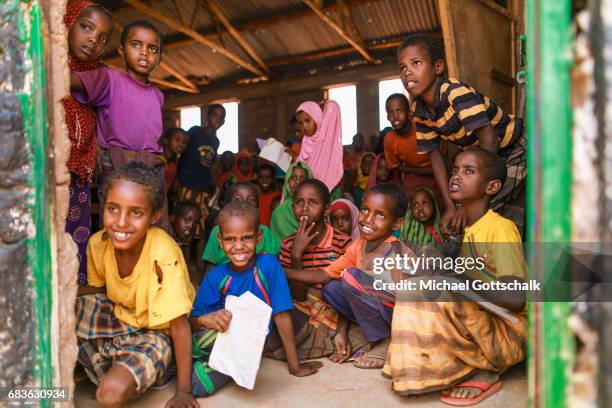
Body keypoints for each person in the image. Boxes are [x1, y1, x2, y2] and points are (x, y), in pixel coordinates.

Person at [384, 148, 527, 405]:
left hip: (511, 332)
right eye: (455, 170)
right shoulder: (470, 229)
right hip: (486, 321)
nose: (456, 177)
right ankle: (422, 369)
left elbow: (516, 299)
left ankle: (485, 369)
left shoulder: (500, 229)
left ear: (492, 186)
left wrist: (457, 280)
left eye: (468, 171)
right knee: (417, 287)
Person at [76, 162, 197, 408]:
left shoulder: (164, 252)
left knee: (108, 394)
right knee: (56, 311)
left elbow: (179, 325)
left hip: (157, 331)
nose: (121, 223)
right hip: (121, 317)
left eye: (136, 213)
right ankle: (118, 360)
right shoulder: (98, 244)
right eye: (113, 209)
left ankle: (160, 365)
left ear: (154, 216)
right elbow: (100, 291)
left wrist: (184, 391)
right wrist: (58, 297)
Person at [398, 33, 525, 236]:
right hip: (488, 157)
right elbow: (435, 156)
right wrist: (450, 206)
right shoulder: (418, 108)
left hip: (515, 148)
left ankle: (498, 262)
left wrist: (469, 202)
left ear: (437, 67)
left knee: (486, 209)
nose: (408, 72)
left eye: (416, 63)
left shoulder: (455, 93)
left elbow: (489, 137)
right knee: (481, 210)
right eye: (403, 67)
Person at [190, 201, 322, 397]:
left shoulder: (268, 264)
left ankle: (223, 363)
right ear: (220, 240)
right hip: (220, 337)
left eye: (247, 238)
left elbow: (282, 314)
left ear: (259, 237)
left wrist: (294, 366)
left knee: (201, 386)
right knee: (202, 340)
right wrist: (205, 319)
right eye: (230, 239)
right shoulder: (215, 276)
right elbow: (192, 322)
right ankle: (217, 360)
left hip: (253, 342)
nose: (239, 247)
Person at [285, 183, 413, 370]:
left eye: (380, 215)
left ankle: (386, 341)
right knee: (331, 289)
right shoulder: (357, 246)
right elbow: (323, 275)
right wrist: (279, 270)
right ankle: (374, 332)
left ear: (396, 224)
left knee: (351, 278)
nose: (368, 220)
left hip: (402, 316)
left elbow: (410, 301)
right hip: (380, 307)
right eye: (365, 210)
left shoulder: (397, 251)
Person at [70, 19, 170, 231]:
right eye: (136, 45)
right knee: (118, 223)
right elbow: (73, 81)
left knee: (152, 225)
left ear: (159, 58)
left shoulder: (158, 96)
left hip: (151, 166)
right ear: (121, 50)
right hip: (117, 163)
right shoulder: (110, 80)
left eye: (152, 49)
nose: (144, 53)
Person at [277, 179, 367, 361]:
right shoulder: (288, 244)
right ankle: (322, 341)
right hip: (304, 308)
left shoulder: (342, 243)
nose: (304, 208)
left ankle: (334, 337)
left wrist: (342, 330)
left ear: (326, 210)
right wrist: (296, 255)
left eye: (313, 203)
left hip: (336, 309)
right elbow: (299, 297)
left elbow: (346, 294)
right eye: (299, 202)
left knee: (359, 329)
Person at [63, 0, 113, 286]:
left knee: (74, 241)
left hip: (79, 177)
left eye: (103, 38)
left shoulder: (99, 75)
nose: (93, 39)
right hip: (50, 170)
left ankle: (74, 302)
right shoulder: (48, 61)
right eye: (86, 27)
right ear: (69, 22)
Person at [176, 105, 226, 244]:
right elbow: (181, 151)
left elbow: (209, 165)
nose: (219, 119)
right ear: (207, 116)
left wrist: (213, 183)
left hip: (203, 187)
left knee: (200, 225)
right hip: (187, 183)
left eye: (222, 117)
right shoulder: (195, 131)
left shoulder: (216, 142)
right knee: (183, 221)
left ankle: (196, 262)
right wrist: (176, 177)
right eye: (215, 115)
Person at [202, 181, 280, 270]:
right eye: (238, 199)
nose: (245, 203)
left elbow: (274, 266)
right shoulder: (217, 231)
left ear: (258, 208)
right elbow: (211, 264)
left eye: (252, 200)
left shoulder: (264, 231)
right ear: (227, 205)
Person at [383, 93, 438, 200]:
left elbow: (437, 155)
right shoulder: (389, 140)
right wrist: (418, 171)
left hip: (436, 168)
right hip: (412, 174)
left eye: (399, 110)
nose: (395, 116)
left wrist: (431, 170)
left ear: (409, 112)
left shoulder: (421, 126)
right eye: (391, 113)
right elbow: (395, 166)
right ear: (388, 117)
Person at [296, 100, 343, 199]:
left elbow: (333, 107)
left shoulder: (325, 138)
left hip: (329, 192)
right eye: (300, 123)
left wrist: (326, 103)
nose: (304, 126)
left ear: (317, 117)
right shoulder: (305, 141)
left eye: (308, 121)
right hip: (308, 192)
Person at [270, 162, 312, 241]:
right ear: (287, 182)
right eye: (293, 177)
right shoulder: (279, 213)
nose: (298, 182)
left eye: (302, 178)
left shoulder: (316, 208)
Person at [170, 201, 201, 287]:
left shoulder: (183, 242)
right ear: (173, 218)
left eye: (195, 223)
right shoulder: (165, 242)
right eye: (187, 220)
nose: (191, 226)